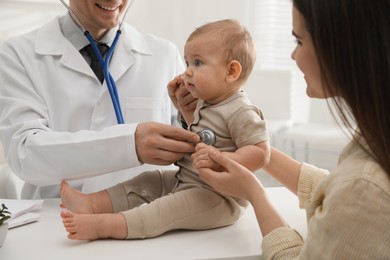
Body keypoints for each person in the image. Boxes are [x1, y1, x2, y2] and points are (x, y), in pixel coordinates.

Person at [194, 0, 390, 259]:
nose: (293, 55)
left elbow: (355, 195)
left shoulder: (364, 186)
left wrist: (255, 193)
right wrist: (256, 150)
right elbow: (336, 193)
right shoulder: (375, 136)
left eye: (299, 41)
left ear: (341, 47)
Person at [59, 19, 271, 240]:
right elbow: (201, 136)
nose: (187, 71)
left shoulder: (241, 110)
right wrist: (185, 110)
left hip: (219, 196)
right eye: (188, 62)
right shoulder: (208, 104)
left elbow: (260, 152)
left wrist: (220, 159)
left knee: (163, 210)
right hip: (188, 180)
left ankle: (103, 226)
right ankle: (91, 203)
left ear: (231, 71)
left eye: (197, 63)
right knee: (150, 181)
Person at [0, 0, 201, 199]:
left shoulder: (164, 54)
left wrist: (191, 119)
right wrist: (128, 145)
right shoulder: (18, 55)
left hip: (149, 214)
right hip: (56, 218)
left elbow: (196, 149)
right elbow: (25, 154)